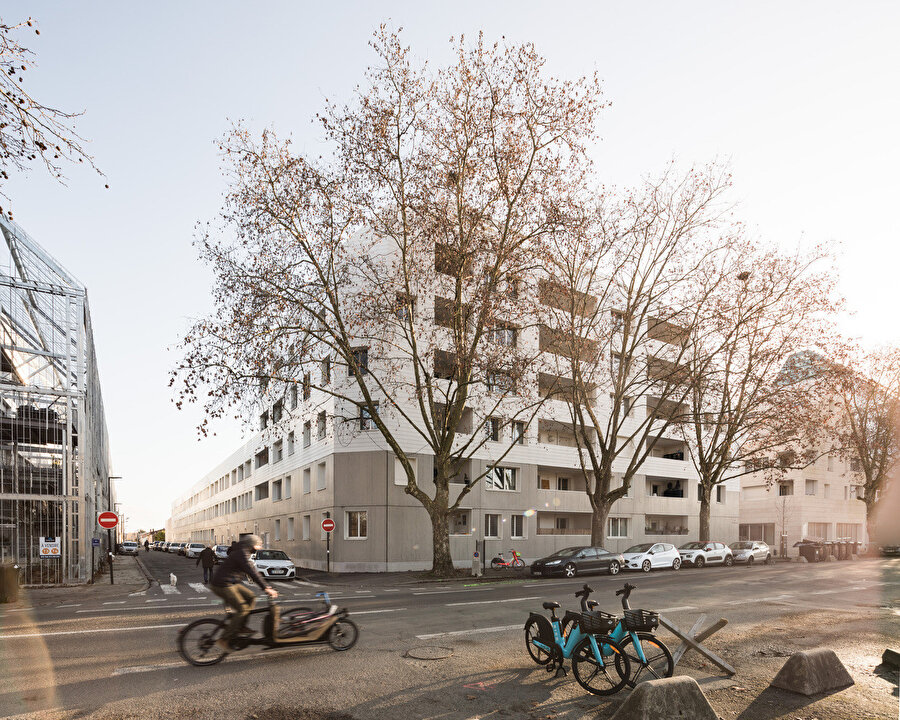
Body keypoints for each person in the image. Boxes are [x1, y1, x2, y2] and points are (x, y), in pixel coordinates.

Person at [209, 535, 277, 651]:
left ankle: (240, 626)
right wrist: (266, 588)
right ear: (251, 545)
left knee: (251, 597)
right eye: (258, 546)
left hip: (231, 583)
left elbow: (254, 571)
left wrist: (267, 586)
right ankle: (224, 639)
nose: (258, 549)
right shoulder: (242, 553)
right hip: (222, 584)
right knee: (243, 609)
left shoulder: (243, 552)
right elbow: (251, 572)